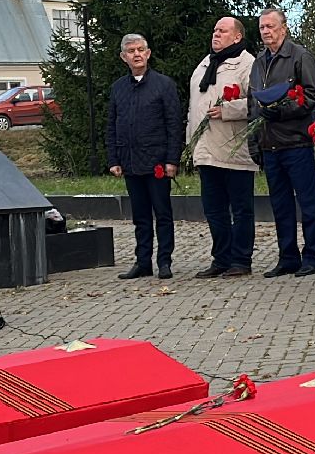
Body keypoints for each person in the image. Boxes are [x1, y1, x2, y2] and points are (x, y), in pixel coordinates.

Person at [248, 7, 315, 277]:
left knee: (308, 203)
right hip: (269, 145)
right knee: (280, 205)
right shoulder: (258, 63)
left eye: (270, 26)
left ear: (284, 28)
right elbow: (252, 104)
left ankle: (312, 255)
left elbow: (314, 96)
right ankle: (287, 255)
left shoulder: (300, 56)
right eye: (262, 28)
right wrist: (253, 142)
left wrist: (283, 110)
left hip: (296, 142)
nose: (266, 31)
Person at [105, 33, 184, 279]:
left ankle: (164, 262)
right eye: (131, 51)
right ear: (123, 57)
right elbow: (112, 125)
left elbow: (174, 124)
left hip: (158, 161)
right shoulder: (118, 88)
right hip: (130, 161)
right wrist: (113, 159)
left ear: (148, 53)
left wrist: (172, 160)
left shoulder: (164, 85)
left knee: (162, 213)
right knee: (140, 216)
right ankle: (143, 262)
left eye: (141, 49)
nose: (137, 54)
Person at [186, 16, 256, 278]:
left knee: (241, 209)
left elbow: (256, 102)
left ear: (237, 37)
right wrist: (190, 142)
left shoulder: (247, 63)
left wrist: (228, 109)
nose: (216, 34)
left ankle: (241, 259)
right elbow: (194, 107)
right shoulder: (205, 63)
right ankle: (221, 258)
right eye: (214, 29)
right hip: (205, 151)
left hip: (233, 149)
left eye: (222, 31)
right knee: (214, 209)